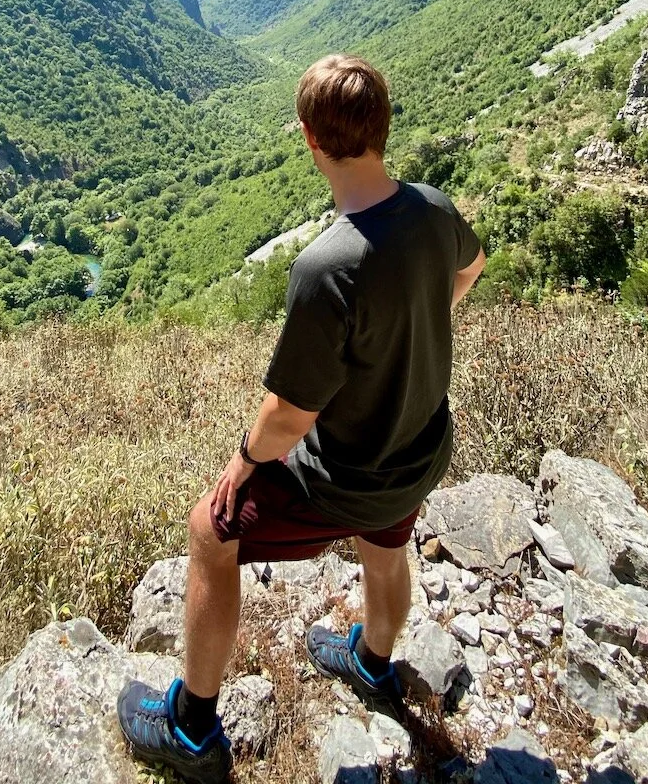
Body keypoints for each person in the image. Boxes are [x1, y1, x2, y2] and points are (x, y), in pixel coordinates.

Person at [118, 54, 485, 783]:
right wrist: (412, 328)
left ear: (311, 140)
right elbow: (470, 270)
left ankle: (191, 729)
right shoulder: (435, 208)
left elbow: (288, 415)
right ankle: (372, 661)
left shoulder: (328, 266)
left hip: (347, 476)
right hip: (418, 450)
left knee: (209, 531)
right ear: (383, 126)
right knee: (387, 548)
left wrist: (242, 463)